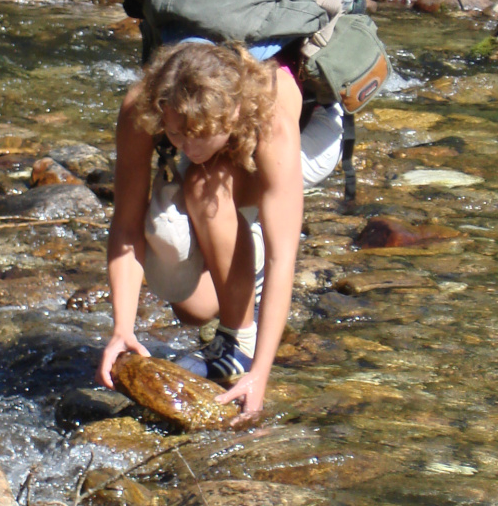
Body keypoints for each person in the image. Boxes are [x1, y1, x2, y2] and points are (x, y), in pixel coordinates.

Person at [97, 37, 343, 423]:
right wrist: (122, 328)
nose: (187, 147)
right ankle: (241, 255)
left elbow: (282, 258)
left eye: (198, 135)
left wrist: (258, 373)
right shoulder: (143, 106)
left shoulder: (271, 115)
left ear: (233, 112)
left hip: (312, 134)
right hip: (226, 135)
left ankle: (238, 341)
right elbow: (127, 225)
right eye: (175, 135)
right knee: (195, 308)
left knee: (204, 184)